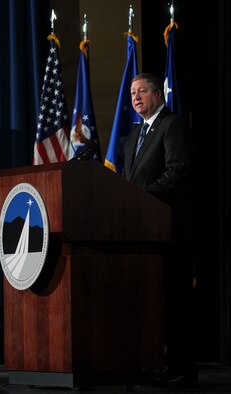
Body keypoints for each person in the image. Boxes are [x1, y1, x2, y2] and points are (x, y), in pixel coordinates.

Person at [122, 73, 197, 386]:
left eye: (141, 91)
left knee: (172, 300)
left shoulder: (172, 125)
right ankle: (151, 362)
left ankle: (181, 368)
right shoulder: (133, 135)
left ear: (157, 93)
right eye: (132, 93)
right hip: (139, 233)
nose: (136, 97)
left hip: (166, 231)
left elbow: (178, 170)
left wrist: (144, 196)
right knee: (147, 301)